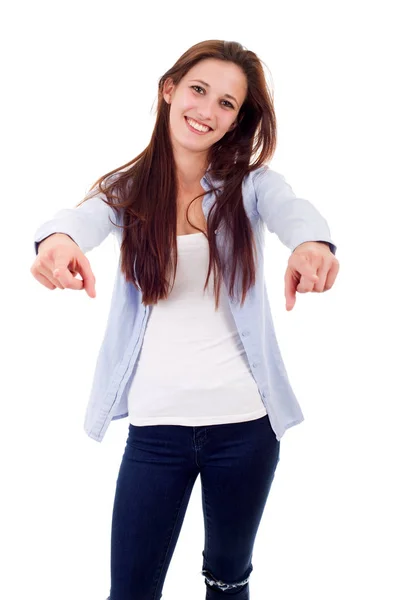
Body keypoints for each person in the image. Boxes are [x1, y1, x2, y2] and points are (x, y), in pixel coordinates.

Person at [31, 39, 339, 600]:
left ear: (238, 119)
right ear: (169, 90)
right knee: (129, 590)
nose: (207, 109)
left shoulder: (252, 187)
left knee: (227, 581)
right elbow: (79, 218)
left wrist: (312, 245)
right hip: (156, 433)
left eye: (227, 102)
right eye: (199, 89)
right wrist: (58, 241)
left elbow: (296, 213)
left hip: (246, 431)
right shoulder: (127, 193)